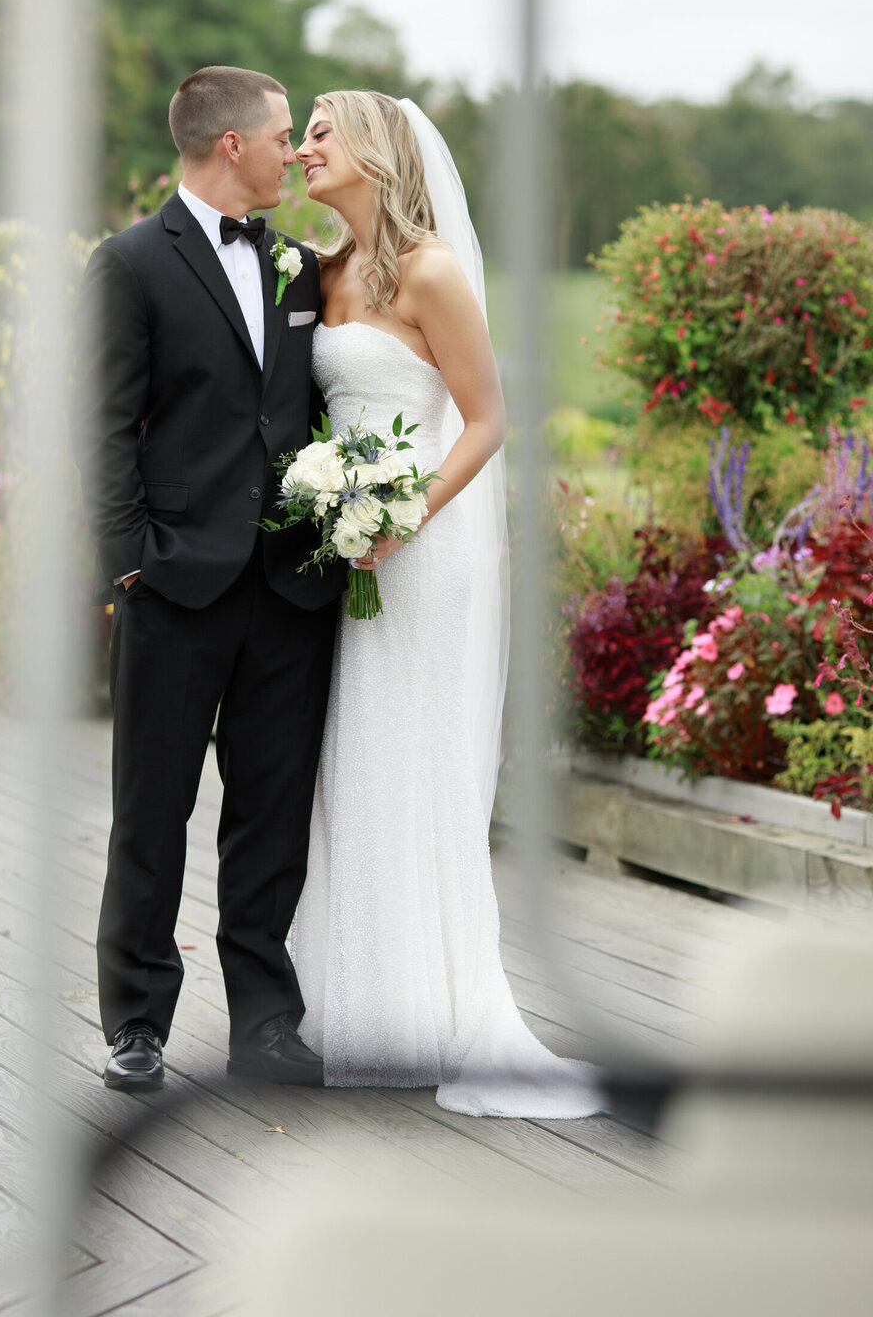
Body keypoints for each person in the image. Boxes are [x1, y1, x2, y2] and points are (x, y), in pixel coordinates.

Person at [289, 89, 600, 1117]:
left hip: (421, 545)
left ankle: (432, 1003)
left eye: (323, 131)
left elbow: (488, 417)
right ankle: (363, 1002)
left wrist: (403, 514)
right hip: (345, 547)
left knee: (412, 753)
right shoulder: (321, 270)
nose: (305, 147)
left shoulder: (431, 272)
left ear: (377, 151)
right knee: (355, 756)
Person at [79, 65, 344, 1093]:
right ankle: (137, 1024)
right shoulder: (132, 263)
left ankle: (266, 1025)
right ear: (232, 145)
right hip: (174, 588)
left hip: (290, 588)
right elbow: (101, 428)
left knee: (270, 815)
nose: (296, 151)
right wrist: (132, 563)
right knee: (152, 812)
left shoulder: (299, 267)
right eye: (284, 135)